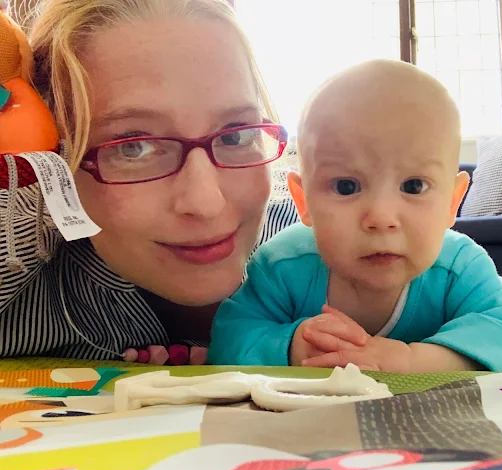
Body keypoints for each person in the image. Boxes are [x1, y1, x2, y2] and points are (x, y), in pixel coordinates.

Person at [0, 0, 298, 364]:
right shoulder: (28, 288)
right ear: (57, 159)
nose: (206, 203)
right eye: (133, 148)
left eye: (235, 136)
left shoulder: (341, 254)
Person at [209, 60, 502, 373]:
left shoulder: (460, 268)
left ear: (451, 202)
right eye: (346, 186)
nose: (381, 218)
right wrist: (292, 348)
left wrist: (413, 360)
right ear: (303, 200)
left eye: (414, 186)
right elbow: (228, 340)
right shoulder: (281, 266)